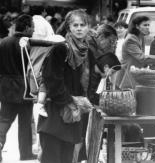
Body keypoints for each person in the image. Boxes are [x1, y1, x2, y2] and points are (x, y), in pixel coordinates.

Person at [37, 9, 93, 163]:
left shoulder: (86, 52)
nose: (79, 28)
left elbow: (89, 81)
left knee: (67, 157)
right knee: (52, 157)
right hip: (55, 111)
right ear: (69, 27)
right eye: (75, 25)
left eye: (83, 25)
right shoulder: (61, 48)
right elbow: (51, 78)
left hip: (72, 115)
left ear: (88, 27)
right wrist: (69, 100)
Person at [0, 14, 37, 162]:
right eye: (32, 27)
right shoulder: (27, 43)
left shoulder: (3, 43)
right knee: (25, 123)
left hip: (5, 88)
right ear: (27, 27)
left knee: (4, 119)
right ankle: (26, 153)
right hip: (24, 89)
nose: (34, 30)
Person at [116, 15, 155, 89]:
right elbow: (142, 58)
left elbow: (142, 61)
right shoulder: (131, 39)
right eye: (145, 25)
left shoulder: (141, 37)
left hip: (136, 77)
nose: (147, 27)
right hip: (126, 79)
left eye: (148, 25)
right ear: (137, 26)